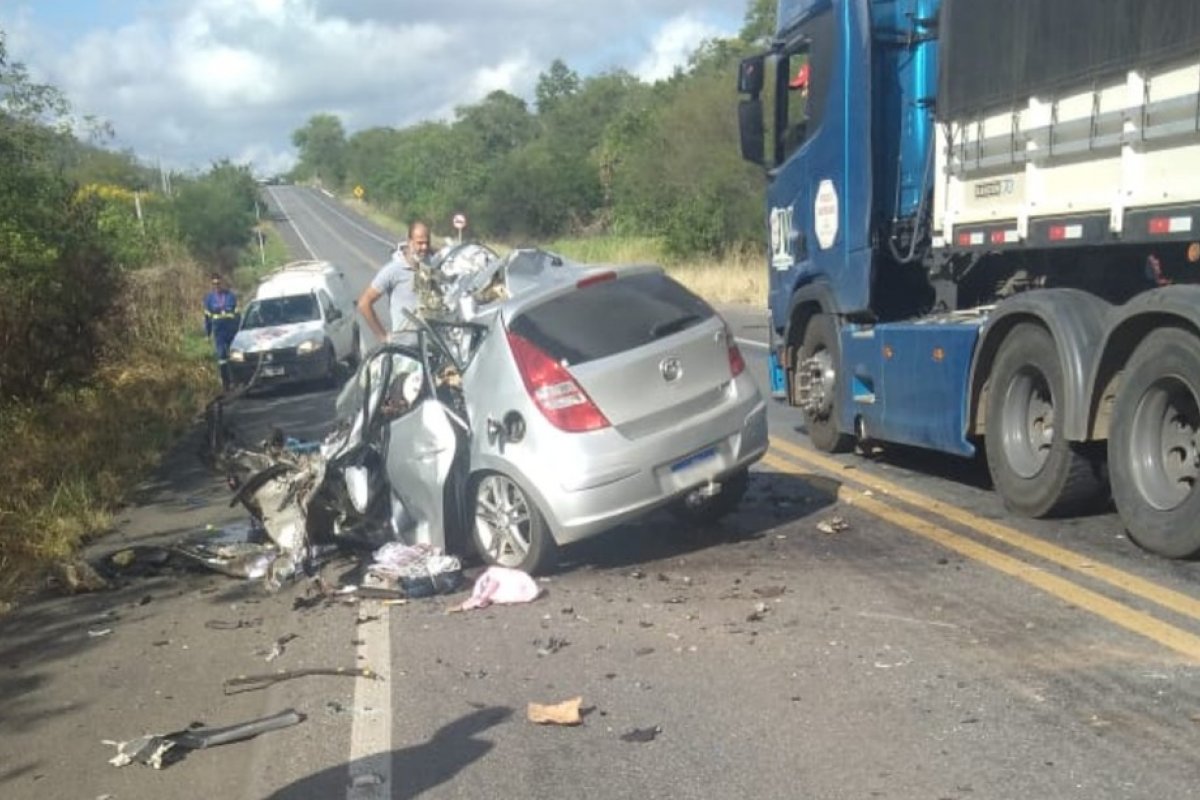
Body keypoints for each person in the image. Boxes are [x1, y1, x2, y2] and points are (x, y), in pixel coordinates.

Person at [357, 221, 431, 342]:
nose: (424, 247)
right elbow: (364, 303)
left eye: (427, 243)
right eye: (420, 243)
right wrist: (383, 337)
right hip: (404, 350)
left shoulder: (429, 267)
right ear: (410, 242)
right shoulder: (394, 270)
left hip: (429, 349)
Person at [203, 272, 239, 390]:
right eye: (214, 284)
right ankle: (226, 383)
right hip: (219, 332)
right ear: (212, 285)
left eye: (218, 283)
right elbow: (207, 318)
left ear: (222, 283)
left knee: (234, 355)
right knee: (222, 357)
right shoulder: (209, 299)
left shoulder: (230, 296)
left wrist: (240, 330)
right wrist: (208, 334)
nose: (216, 286)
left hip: (231, 330)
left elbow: (237, 315)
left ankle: (236, 380)